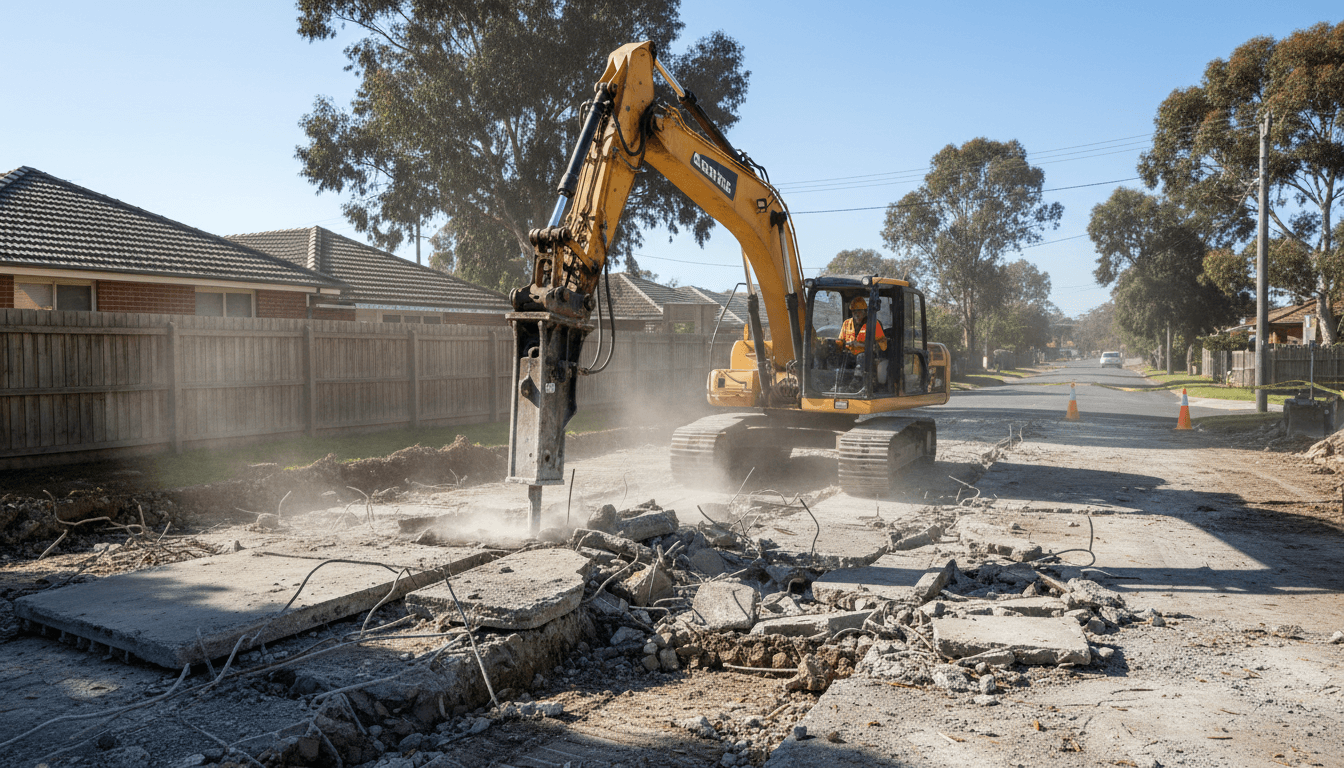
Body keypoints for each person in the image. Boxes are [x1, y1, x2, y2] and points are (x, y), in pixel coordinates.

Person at [837, 296, 887, 377]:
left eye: (859, 311)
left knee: (861, 357)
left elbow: (882, 346)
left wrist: (861, 345)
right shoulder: (846, 323)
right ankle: (837, 384)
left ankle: (857, 384)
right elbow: (840, 341)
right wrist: (832, 345)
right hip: (850, 354)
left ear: (865, 311)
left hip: (867, 356)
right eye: (854, 311)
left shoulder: (874, 324)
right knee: (839, 358)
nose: (856, 313)